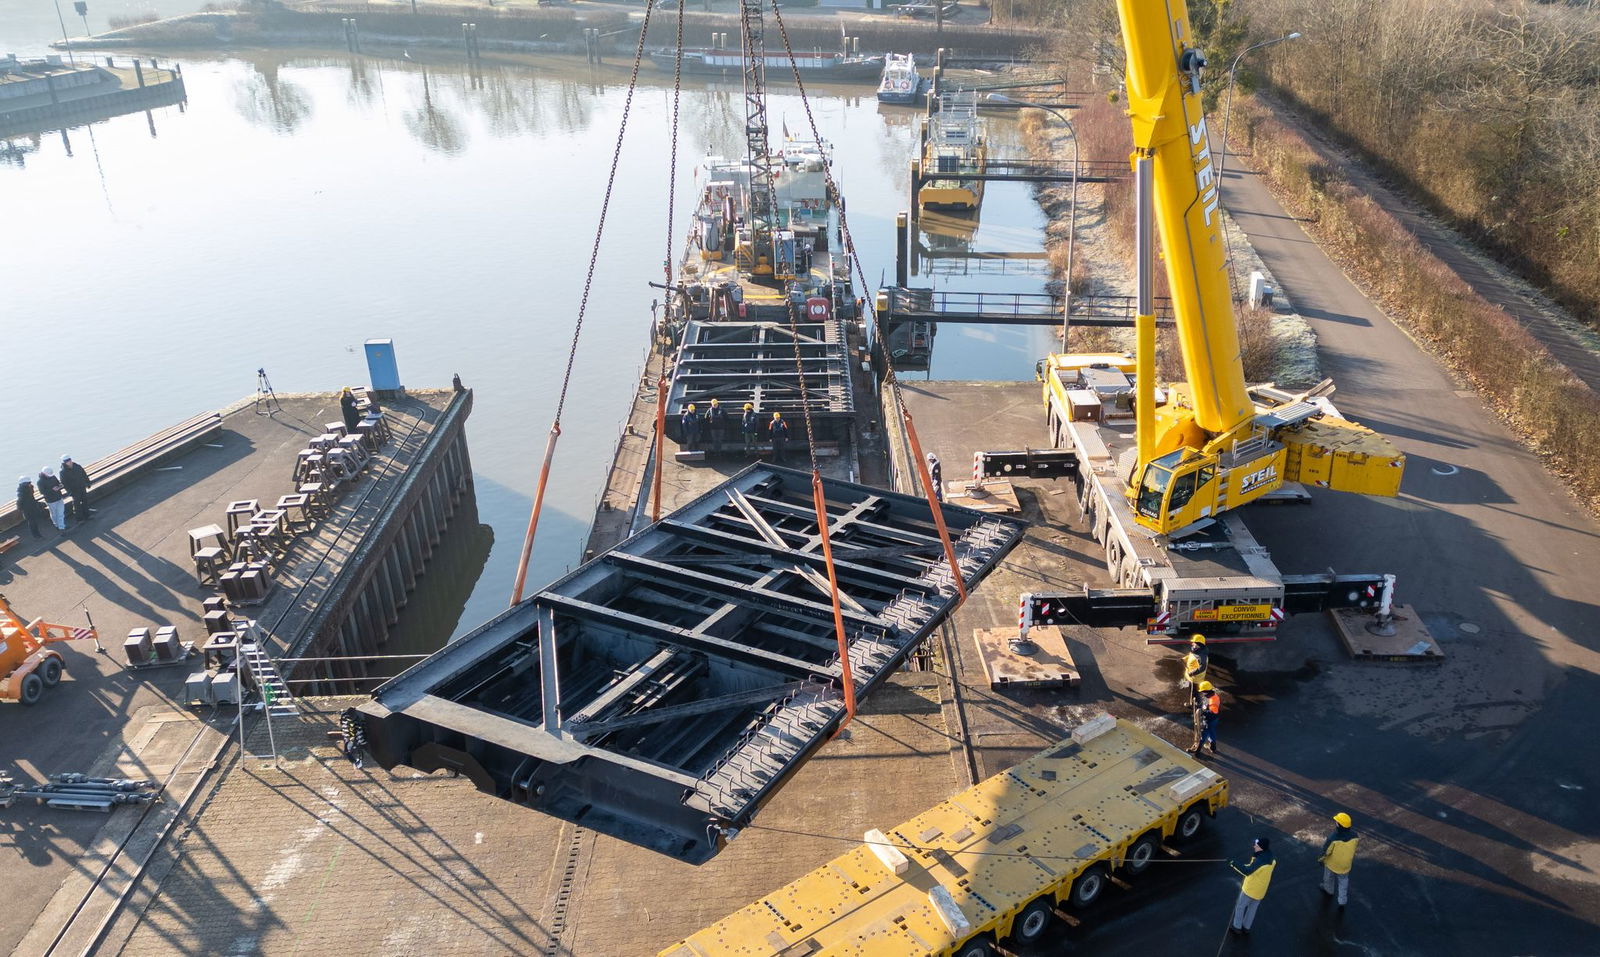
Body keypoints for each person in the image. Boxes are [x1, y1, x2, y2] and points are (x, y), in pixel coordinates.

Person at [1228, 837, 1276, 936]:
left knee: (1240, 907)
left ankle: (1237, 927)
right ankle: (1246, 927)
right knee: (1252, 909)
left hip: (1250, 889)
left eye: (1256, 845)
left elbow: (1247, 871)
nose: (1254, 846)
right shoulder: (1270, 857)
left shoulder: (1260, 860)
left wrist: (1233, 864)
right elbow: (1253, 867)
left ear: (1261, 848)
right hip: (1261, 890)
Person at [1318, 812, 1359, 910]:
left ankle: (1329, 890)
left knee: (1328, 877)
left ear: (1339, 825)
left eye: (1337, 822)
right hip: (1345, 865)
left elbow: (1326, 851)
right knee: (1343, 881)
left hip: (1332, 864)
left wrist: (1320, 859)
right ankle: (1342, 900)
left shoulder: (1333, 838)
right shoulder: (1355, 836)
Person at [1189, 680, 1221, 755]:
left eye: (1203, 691)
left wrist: (1202, 712)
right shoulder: (1212, 695)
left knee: (1203, 734)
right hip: (1214, 719)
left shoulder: (1213, 701)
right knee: (1211, 732)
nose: (1202, 693)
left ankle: (1197, 749)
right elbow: (1205, 704)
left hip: (1210, 719)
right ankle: (1213, 747)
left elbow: (1213, 712)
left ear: (1206, 691)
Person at [60, 455, 92, 522]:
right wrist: (69, 492)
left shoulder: (77, 466)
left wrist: (88, 482)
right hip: (74, 490)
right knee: (77, 504)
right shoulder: (63, 472)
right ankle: (79, 518)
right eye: (67, 461)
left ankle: (87, 515)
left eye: (69, 460)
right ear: (64, 462)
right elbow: (65, 483)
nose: (69, 462)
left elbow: (84, 474)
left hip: (82, 487)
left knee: (85, 501)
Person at [37, 467, 68, 532]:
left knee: (60, 513)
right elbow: (42, 492)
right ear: (44, 473)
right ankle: (56, 524)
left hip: (59, 497)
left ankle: (61, 527)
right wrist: (52, 490)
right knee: (54, 514)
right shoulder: (40, 482)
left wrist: (60, 486)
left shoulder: (53, 477)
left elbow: (58, 483)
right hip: (50, 500)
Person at [1182, 634, 1209, 706]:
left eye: (1195, 644)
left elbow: (1202, 667)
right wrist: (1184, 659)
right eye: (1193, 644)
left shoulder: (1201, 656)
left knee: (1195, 693)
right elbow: (1191, 655)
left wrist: (1191, 673)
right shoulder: (1197, 651)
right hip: (1191, 676)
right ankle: (1193, 702)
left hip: (1195, 678)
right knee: (1191, 691)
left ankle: (1197, 705)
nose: (1193, 645)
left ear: (1200, 645)